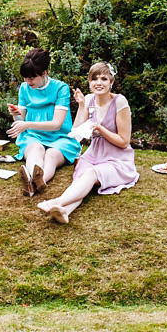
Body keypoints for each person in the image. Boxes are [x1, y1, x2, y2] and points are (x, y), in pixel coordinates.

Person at [36, 62, 139, 224]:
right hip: (94, 154)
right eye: (94, 79)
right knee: (82, 181)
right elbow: (76, 131)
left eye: (104, 79)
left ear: (111, 83)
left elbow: (124, 142)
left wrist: (100, 128)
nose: (99, 83)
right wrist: (82, 105)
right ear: (90, 82)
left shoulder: (120, 102)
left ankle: (57, 202)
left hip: (117, 158)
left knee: (90, 174)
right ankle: (65, 211)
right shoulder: (89, 99)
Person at [7, 48, 81, 197]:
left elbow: (56, 124)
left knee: (51, 155)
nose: (27, 82)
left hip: (60, 137)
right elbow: (21, 121)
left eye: (32, 78)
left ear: (44, 73)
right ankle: (31, 179)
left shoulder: (61, 88)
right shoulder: (24, 88)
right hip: (33, 136)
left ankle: (36, 182)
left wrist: (26, 124)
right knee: (35, 149)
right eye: (25, 78)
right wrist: (16, 115)